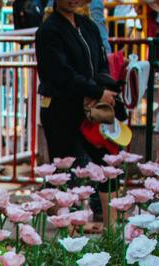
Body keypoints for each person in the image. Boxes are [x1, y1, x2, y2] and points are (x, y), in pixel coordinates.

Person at [34, 0, 117, 225]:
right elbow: (61, 74)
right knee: (65, 170)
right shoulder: (49, 30)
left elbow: (101, 63)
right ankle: (67, 231)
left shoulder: (88, 25)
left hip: (91, 109)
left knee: (107, 163)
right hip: (61, 108)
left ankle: (112, 228)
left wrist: (104, 89)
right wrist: (96, 91)